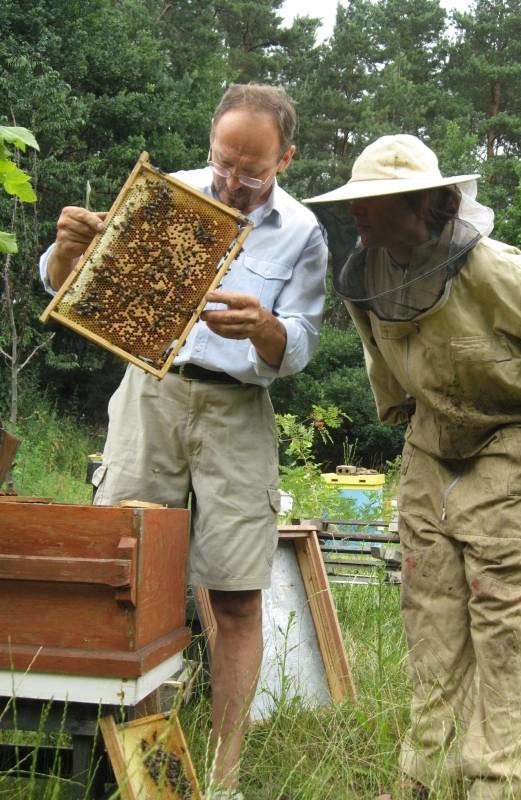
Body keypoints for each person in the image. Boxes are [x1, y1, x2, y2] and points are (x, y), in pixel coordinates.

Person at [40, 83, 328, 800]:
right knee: (130, 581)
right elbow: (80, 288)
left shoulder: (305, 234)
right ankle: (137, 764)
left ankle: (223, 780)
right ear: (212, 142)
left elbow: (299, 346)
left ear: (285, 159)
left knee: (234, 596)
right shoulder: (167, 195)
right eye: (222, 160)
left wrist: (263, 326)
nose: (232, 182)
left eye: (252, 171)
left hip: (238, 410)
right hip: (150, 391)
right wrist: (64, 253)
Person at [304, 134, 521, 800]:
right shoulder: (371, 271)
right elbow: (388, 364)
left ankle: (497, 785)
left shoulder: (506, 274)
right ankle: (423, 779)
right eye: (356, 202)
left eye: (373, 203)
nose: (359, 216)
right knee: (431, 618)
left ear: (425, 205)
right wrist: (408, 414)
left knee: (508, 629)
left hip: (515, 451)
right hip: (431, 452)